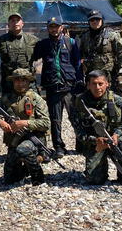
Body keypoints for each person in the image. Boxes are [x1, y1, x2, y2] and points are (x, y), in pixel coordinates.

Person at [0, 68, 50, 185]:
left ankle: (37, 175)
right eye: (17, 80)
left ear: (29, 82)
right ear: (13, 82)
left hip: (33, 138)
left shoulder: (36, 99)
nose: (20, 83)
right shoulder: (6, 99)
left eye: (24, 80)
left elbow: (46, 123)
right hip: (14, 140)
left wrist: (25, 123)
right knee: (9, 179)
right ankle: (24, 169)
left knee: (23, 150)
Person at [72, 70, 122, 188]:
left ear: (107, 84)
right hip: (95, 144)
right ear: (88, 85)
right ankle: (98, 169)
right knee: (95, 180)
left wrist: (117, 135)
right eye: (94, 84)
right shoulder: (79, 104)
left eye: (100, 84)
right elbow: (79, 132)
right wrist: (95, 140)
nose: (97, 87)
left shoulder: (119, 101)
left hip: (114, 140)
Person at [30, 17, 83, 158]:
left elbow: (77, 64)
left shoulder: (71, 42)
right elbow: (32, 58)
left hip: (70, 87)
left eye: (56, 26)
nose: (54, 29)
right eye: (51, 26)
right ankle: (59, 146)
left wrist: (79, 82)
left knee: (76, 117)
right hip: (53, 87)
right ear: (48, 28)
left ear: (61, 27)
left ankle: (81, 143)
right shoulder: (43, 44)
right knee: (55, 119)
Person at [0, 13, 38, 96]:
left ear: (22, 24)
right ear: (8, 24)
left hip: (28, 82)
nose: (15, 23)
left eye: (17, 20)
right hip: (9, 83)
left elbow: (46, 51)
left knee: (31, 106)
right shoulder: (1, 40)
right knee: (8, 107)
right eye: (12, 21)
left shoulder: (32, 40)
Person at [77, 10, 122, 89]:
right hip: (92, 77)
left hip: (109, 76)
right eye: (92, 20)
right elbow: (79, 55)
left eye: (97, 19)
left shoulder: (112, 34)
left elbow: (121, 52)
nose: (95, 22)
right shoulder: (84, 37)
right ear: (89, 22)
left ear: (102, 20)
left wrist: (121, 72)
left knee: (110, 99)